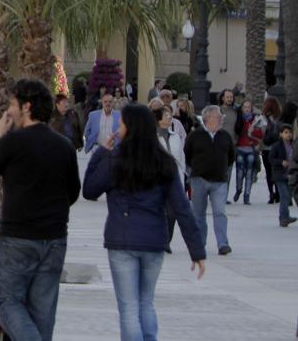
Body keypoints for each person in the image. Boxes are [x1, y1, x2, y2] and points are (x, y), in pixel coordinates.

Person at [82, 104, 206, 341]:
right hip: (153, 240)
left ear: (129, 127)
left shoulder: (117, 159)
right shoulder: (165, 162)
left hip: (123, 240)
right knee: (146, 303)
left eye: (122, 123)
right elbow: (182, 208)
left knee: (129, 309)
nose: (119, 128)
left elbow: (89, 190)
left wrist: (101, 153)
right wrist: (196, 250)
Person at [0, 79, 81, 341]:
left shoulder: (13, 142)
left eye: (12, 104)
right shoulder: (64, 146)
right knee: (42, 314)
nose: (9, 111)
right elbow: (73, 192)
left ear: (27, 107)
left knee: (5, 300)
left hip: (18, 239)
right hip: (55, 239)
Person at [184, 105, 235, 256]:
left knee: (220, 212)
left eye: (221, 117)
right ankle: (200, 243)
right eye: (217, 117)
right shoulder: (195, 136)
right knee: (198, 214)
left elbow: (231, 156)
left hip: (219, 181)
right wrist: (193, 171)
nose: (220, 119)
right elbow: (187, 154)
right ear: (207, 118)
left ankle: (223, 244)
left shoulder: (225, 136)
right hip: (199, 179)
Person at [154, 105, 187, 249]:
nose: (170, 118)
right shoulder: (151, 137)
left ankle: (166, 240)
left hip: (174, 180)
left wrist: (183, 177)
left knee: (172, 214)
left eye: (170, 116)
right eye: (166, 116)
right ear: (159, 119)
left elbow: (181, 158)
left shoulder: (175, 136)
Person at [232, 99, 265, 204]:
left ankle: (247, 195)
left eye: (248, 107)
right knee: (240, 172)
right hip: (240, 148)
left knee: (250, 172)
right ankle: (239, 189)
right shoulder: (238, 119)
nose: (247, 109)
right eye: (245, 107)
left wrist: (253, 130)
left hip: (251, 148)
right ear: (242, 108)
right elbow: (235, 131)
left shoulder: (255, 120)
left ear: (251, 108)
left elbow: (260, 134)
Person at [268, 124, 297, 226]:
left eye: (290, 132)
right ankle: (284, 218)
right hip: (280, 175)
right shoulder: (277, 146)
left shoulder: (293, 145)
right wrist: (281, 162)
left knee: (287, 197)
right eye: (286, 132)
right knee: (284, 196)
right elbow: (271, 159)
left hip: (291, 175)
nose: (288, 135)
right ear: (281, 134)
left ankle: (283, 217)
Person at [261, 98, 282, 204]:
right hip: (277, 149)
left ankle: (271, 194)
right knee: (277, 172)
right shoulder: (279, 119)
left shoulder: (263, 119)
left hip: (266, 149)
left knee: (269, 173)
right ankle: (278, 194)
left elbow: (256, 132)